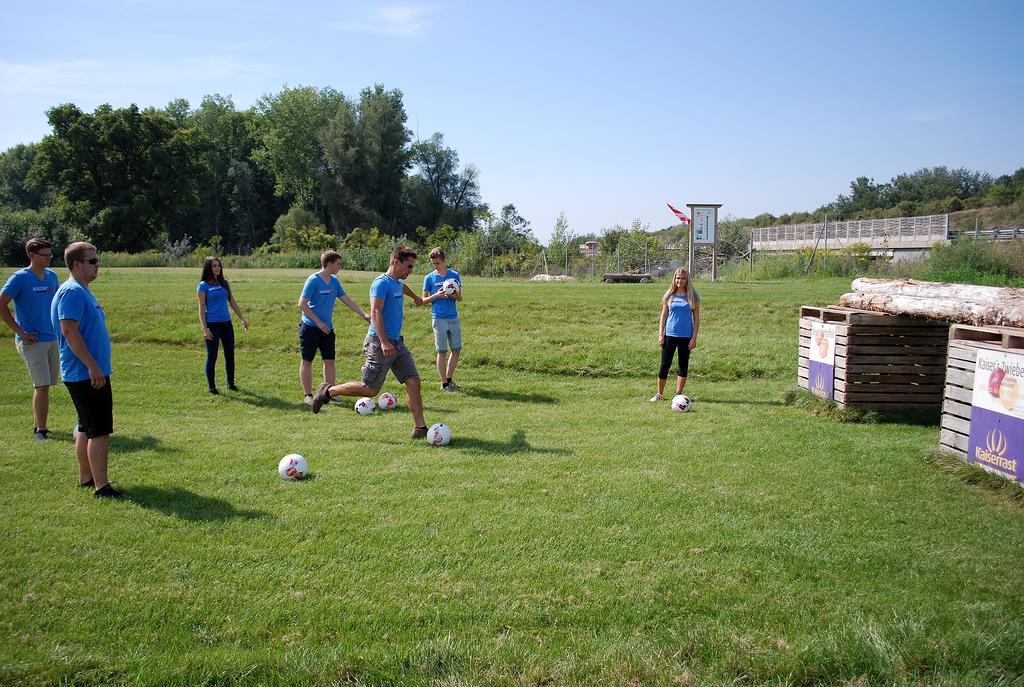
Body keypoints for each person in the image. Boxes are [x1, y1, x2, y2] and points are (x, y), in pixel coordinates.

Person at [312, 246, 447, 439]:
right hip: (379, 342)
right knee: (370, 389)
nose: (410, 270)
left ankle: (420, 428)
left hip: (397, 343)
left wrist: (435, 295)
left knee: (413, 381)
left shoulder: (399, 284)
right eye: (408, 266)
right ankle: (328, 391)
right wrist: (384, 342)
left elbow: (419, 301)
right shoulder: (381, 284)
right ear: (395, 262)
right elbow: (375, 312)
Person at [51, 242, 123, 498]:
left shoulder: (80, 291)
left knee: (85, 427)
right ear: (76, 264)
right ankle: (102, 486)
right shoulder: (71, 292)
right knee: (99, 430)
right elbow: (69, 331)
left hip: (87, 372)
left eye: (97, 261)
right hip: (86, 373)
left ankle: (87, 477)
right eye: (92, 261)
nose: (97, 266)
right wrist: (92, 366)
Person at [1, 237, 60, 440]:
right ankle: (41, 431)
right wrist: (21, 332)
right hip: (31, 341)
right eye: (45, 255)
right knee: (41, 385)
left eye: (50, 254)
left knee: (46, 385)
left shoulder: (52, 277)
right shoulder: (19, 278)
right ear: (31, 255)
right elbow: (2, 304)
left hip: (52, 338)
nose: (49, 259)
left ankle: (38, 426)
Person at [297, 250, 370, 406]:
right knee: (307, 361)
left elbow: (347, 300)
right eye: (338, 264)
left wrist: (364, 314)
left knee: (329, 361)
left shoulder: (335, 281)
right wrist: (318, 322)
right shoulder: (313, 280)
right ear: (329, 264)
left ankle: (329, 393)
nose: (339, 267)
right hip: (310, 327)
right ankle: (308, 395)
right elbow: (302, 304)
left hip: (327, 329)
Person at [197, 256, 249, 394]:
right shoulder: (203, 286)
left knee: (230, 354)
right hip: (212, 325)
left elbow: (232, 301)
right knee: (212, 355)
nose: (217, 268)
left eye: (218, 266)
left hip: (226, 324)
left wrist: (242, 319)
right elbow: (201, 308)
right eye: (214, 266)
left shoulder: (224, 283)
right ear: (208, 268)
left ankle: (231, 384)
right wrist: (205, 329)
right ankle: (212, 387)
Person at [651, 267, 700, 402]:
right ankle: (659, 394)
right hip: (670, 335)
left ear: (687, 280)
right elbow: (663, 315)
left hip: (686, 337)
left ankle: (678, 394)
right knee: (664, 365)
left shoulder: (693, 296)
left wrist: (694, 338)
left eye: (683, 278)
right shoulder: (669, 295)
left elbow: (696, 319)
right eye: (678, 278)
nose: (680, 280)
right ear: (674, 279)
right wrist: (661, 334)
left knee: (683, 365)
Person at [421, 247, 463, 391]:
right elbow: (423, 300)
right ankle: (444, 383)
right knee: (442, 351)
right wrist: (436, 296)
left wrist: (454, 294)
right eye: (433, 264)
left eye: (437, 263)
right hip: (438, 319)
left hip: (453, 317)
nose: (436, 266)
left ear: (444, 260)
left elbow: (460, 298)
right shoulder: (429, 278)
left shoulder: (454, 275)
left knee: (456, 350)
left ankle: (449, 379)